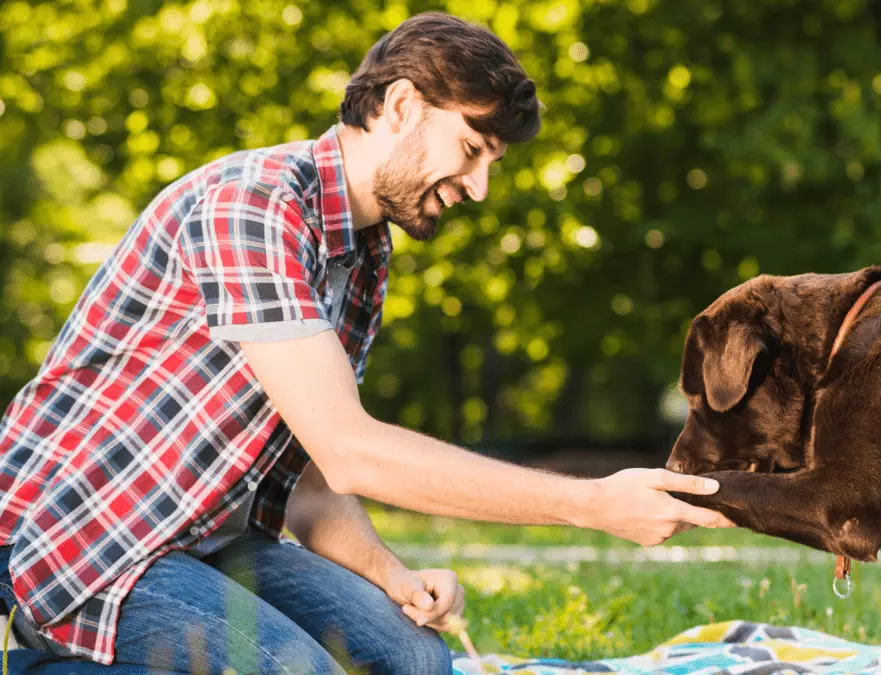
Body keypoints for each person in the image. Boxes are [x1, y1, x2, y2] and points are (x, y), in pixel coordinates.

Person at [0, 11, 734, 675]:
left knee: (417, 660)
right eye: (472, 149)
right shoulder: (254, 206)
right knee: (299, 671)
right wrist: (592, 504)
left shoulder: (362, 253)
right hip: (91, 534)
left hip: (202, 537)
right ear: (403, 104)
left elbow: (317, 474)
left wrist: (391, 573)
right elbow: (354, 447)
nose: (479, 188)